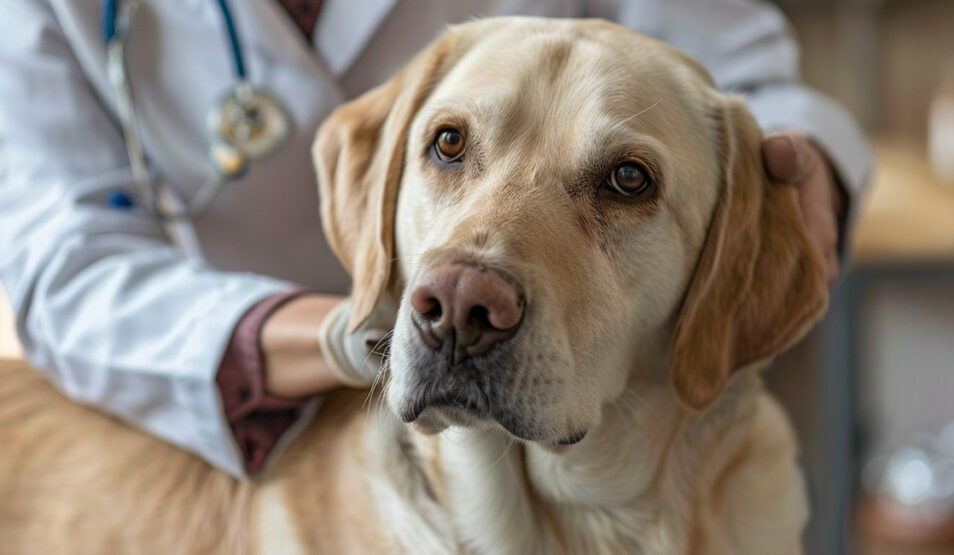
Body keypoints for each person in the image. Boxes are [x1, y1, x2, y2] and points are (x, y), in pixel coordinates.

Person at [0, 0, 872, 477]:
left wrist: (800, 185)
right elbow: (66, 262)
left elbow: (751, 90)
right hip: (239, 432)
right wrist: (346, 336)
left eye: (623, 183)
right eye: (450, 144)